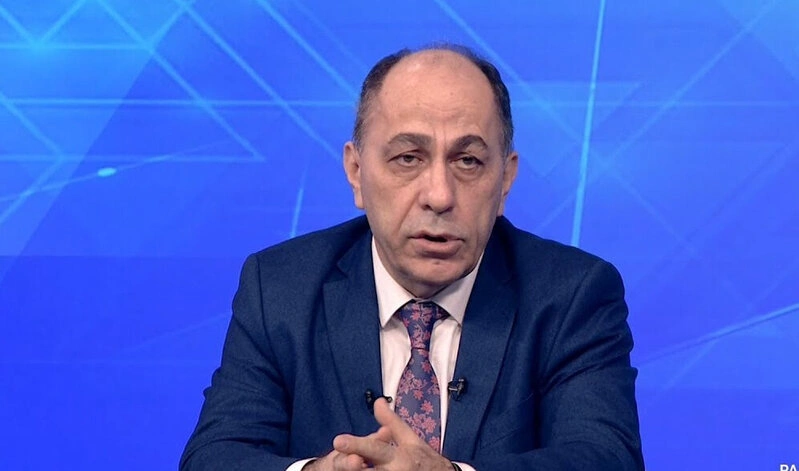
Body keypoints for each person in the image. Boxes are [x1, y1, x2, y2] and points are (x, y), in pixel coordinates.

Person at [180, 44, 644, 471]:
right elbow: (214, 457)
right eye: (408, 158)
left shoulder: (573, 295)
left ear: (505, 179)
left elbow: (606, 459)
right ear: (356, 172)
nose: (439, 195)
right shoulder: (279, 287)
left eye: (468, 161)